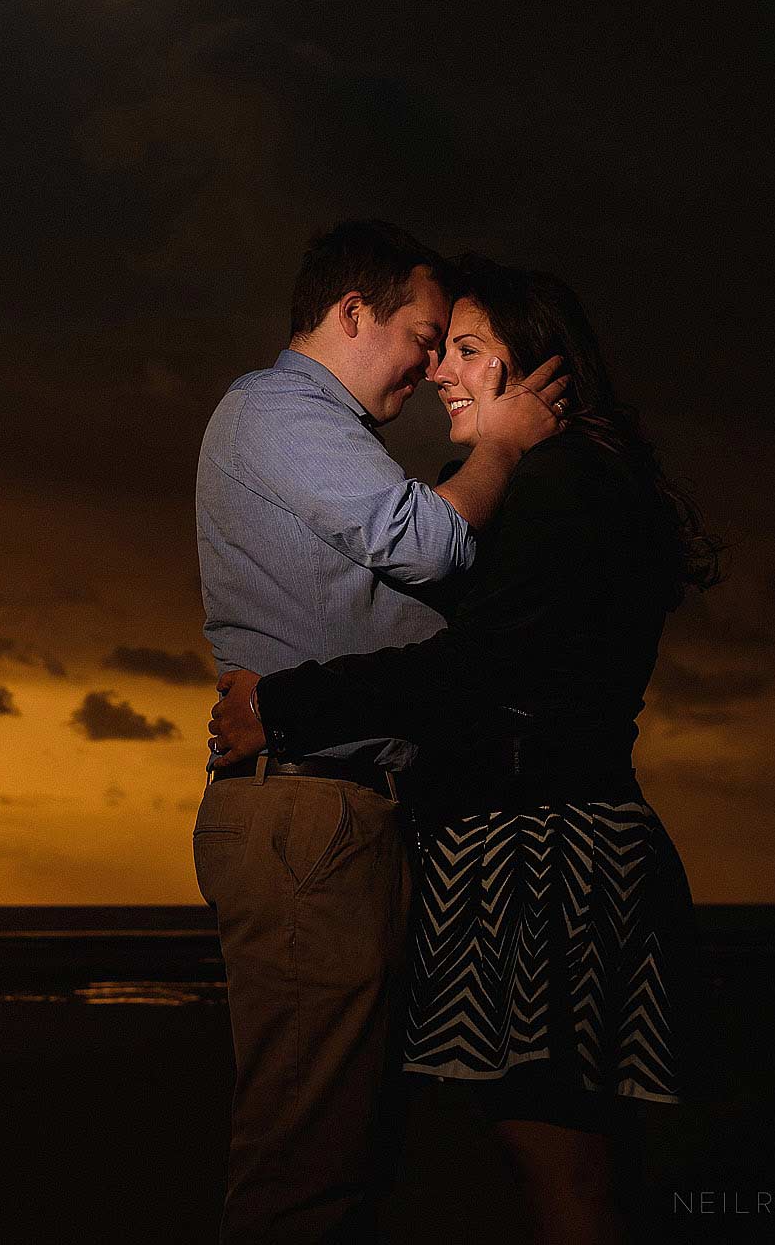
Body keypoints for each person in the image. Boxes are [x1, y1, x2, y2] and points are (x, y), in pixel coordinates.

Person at [208, 253, 721, 1245]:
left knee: (563, 1171)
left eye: (470, 351)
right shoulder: (561, 486)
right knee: (580, 1165)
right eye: (440, 347)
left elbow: (477, 667)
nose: (441, 370)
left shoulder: (562, 483)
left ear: (538, 374)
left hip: (540, 855)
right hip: (552, 842)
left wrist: (284, 703)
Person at [193, 222, 568, 1242]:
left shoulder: (316, 434)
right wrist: (500, 443)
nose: (430, 360)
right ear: (353, 314)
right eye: (421, 331)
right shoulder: (275, 407)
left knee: (347, 1150)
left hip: (333, 805)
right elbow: (426, 546)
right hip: (310, 808)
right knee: (306, 1162)